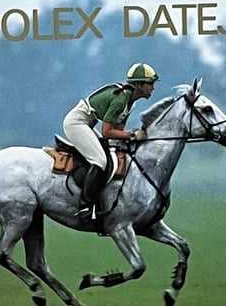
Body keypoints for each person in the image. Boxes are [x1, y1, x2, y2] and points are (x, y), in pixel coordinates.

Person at [62, 63, 157, 225]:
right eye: (150, 84)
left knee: (108, 153)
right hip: (76, 122)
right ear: (139, 85)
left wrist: (131, 137)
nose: (153, 88)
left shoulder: (130, 102)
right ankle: (85, 206)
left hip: (87, 123)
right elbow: (107, 132)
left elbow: (118, 131)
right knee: (100, 161)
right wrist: (132, 135)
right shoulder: (120, 99)